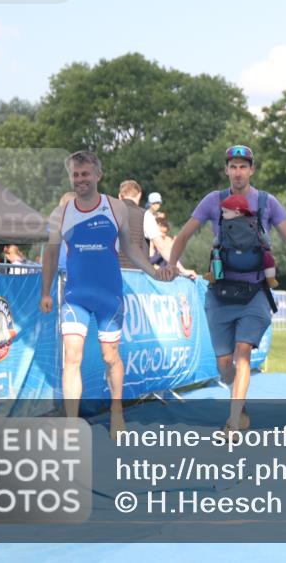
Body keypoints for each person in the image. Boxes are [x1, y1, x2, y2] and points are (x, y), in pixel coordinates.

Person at [162, 145, 286, 432]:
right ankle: (238, 402)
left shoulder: (267, 202)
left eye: (243, 166)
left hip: (255, 293)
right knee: (224, 366)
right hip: (220, 294)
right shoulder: (213, 201)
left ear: (251, 170)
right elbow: (185, 234)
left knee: (243, 353)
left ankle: (234, 420)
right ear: (226, 170)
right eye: (233, 166)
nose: (238, 172)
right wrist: (171, 264)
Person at [39, 151, 170, 439]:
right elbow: (50, 255)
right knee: (72, 357)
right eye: (75, 174)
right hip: (75, 296)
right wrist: (45, 291)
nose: (80, 180)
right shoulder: (61, 212)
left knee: (110, 356)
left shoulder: (115, 208)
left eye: (85, 174)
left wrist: (152, 271)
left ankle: (116, 411)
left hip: (109, 295)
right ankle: (72, 424)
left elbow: (131, 249)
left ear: (97, 175)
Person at [220, 194, 277, 286]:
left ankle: (214, 275)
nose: (222, 215)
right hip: (253, 260)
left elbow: (218, 240)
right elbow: (265, 238)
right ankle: (270, 279)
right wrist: (269, 246)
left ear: (237, 212)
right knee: (268, 257)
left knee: (215, 254)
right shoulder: (254, 222)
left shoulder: (225, 225)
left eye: (225, 212)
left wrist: (215, 246)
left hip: (229, 260)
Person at [150, 214, 198, 279]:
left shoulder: (168, 241)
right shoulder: (148, 242)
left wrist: (173, 248)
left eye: (165, 232)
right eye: (160, 232)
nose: (162, 235)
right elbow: (149, 261)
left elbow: (174, 259)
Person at [117, 180, 150, 270]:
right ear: (139, 195)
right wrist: (178, 268)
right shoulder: (145, 215)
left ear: (119, 196)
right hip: (137, 275)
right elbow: (161, 245)